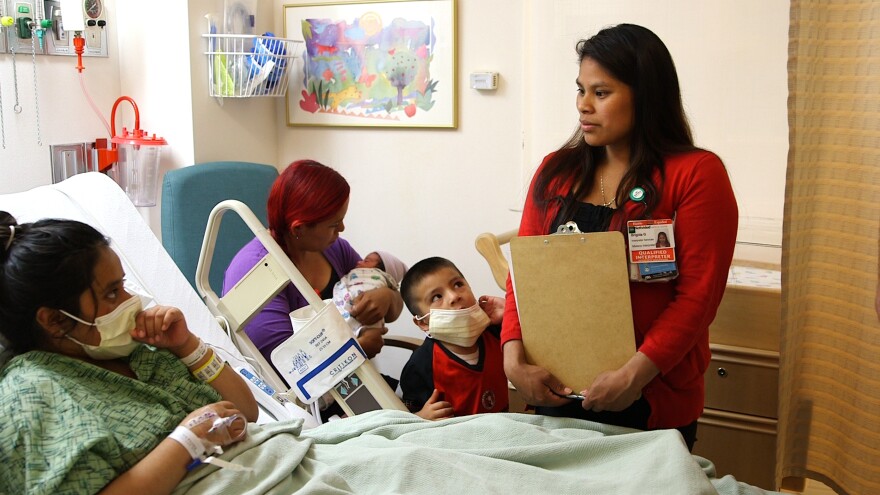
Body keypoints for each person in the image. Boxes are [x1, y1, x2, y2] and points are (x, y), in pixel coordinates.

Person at [501, 24, 738, 451]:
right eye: (580, 90)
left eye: (601, 93)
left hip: (649, 397)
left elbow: (696, 299)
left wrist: (633, 376)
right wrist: (512, 355)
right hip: (555, 385)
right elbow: (524, 275)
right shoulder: (558, 170)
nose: (583, 106)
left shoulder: (697, 175)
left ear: (645, 96)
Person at [0, 212, 259, 494]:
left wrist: (187, 346)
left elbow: (247, 410)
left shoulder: (140, 351)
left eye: (123, 285)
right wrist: (187, 443)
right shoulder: (29, 396)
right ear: (54, 320)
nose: (131, 301)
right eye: (112, 293)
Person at [224, 160, 404, 363]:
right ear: (298, 228)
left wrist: (387, 297)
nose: (342, 228)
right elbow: (284, 365)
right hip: (296, 391)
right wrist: (358, 349)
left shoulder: (334, 248)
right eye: (334, 224)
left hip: (351, 381)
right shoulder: (254, 271)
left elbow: (391, 310)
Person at [399, 257, 508, 420]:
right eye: (436, 297)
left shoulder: (497, 331)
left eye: (458, 284)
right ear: (422, 322)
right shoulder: (420, 367)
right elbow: (408, 417)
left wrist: (509, 313)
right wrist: (421, 418)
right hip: (458, 440)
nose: (454, 296)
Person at [332, 250, 408, 336]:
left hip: (366, 317)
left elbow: (395, 290)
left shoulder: (382, 276)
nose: (359, 262)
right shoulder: (353, 272)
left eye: (366, 261)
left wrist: (388, 295)